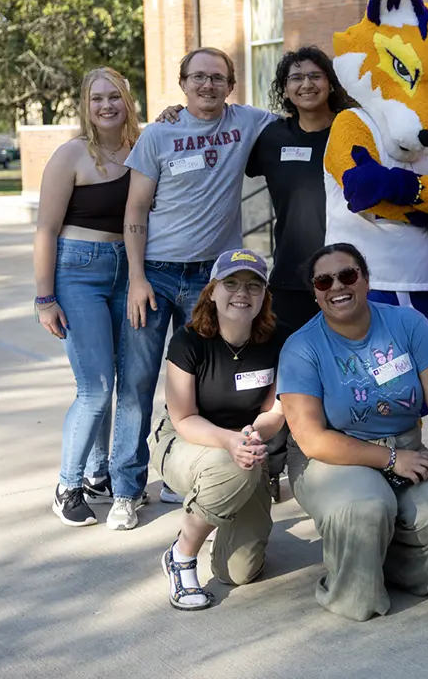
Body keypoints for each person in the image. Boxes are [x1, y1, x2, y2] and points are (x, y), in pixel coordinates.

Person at [278, 244, 428, 622]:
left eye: (347, 275)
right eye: (324, 281)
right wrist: (391, 460)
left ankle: (373, 557)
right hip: (332, 457)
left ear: (365, 279)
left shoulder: (407, 325)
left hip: (405, 445)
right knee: (366, 508)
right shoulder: (301, 347)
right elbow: (312, 439)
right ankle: (351, 587)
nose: (336, 287)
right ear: (314, 292)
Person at [114, 47, 279, 530]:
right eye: (198, 77)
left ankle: (180, 474)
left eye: (217, 78)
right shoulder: (158, 135)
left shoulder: (249, 121)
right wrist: (138, 278)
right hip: (158, 273)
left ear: (231, 85)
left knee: (203, 383)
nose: (208, 86)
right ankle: (126, 487)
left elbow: (304, 112)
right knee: (138, 381)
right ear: (182, 82)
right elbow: (135, 211)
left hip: (214, 277)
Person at [243, 46, 354, 499]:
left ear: (330, 81)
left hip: (347, 277)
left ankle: (332, 458)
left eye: (314, 75)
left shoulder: (354, 130)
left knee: (343, 370)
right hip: (290, 274)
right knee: (282, 376)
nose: (306, 84)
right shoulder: (271, 138)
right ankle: (270, 463)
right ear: (284, 89)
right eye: (295, 78)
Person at [149, 249, 288, 610]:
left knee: (238, 571)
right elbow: (183, 417)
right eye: (231, 283)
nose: (242, 293)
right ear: (212, 290)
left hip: (245, 443)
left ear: (264, 296)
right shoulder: (189, 340)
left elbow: (275, 409)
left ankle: (214, 510)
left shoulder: (277, 340)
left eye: (253, 286)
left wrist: (252, 436)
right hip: (185, 439)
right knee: (233, 468)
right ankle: (181, 556)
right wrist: (230, 441)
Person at [34, 67, 141, 526]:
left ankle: (100, 473)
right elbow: (45, 231)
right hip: (78, 273)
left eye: (114, 96)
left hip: (128, 271)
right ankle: (68, 485)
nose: (106, 106)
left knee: (115, 381)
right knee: (94, 388)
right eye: (97, 98)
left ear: (127, 100)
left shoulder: (141, 148)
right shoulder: (72, 155)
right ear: (86, 104)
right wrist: (44, 298)